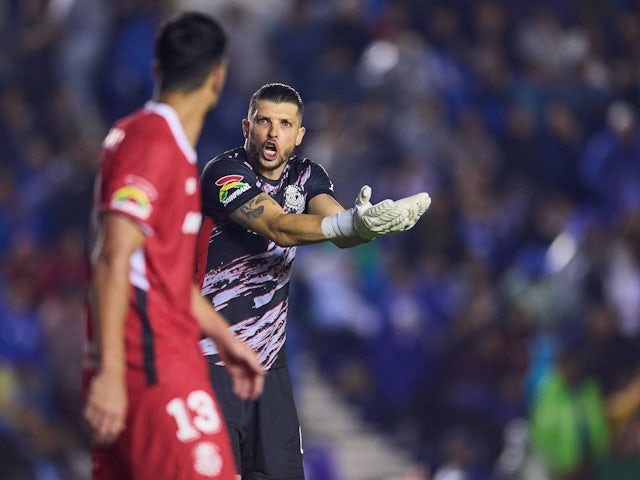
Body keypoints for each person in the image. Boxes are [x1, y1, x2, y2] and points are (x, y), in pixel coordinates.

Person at [195, 82, 431, 479]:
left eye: (285, 124)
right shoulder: (224, 173)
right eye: (264, 121)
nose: (273, 133)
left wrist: (369, 226)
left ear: (299, 135)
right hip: (212, 362)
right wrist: (347, 224)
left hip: (269, 367)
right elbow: (278, 226)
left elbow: (340, 228)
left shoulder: (306, 176)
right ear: (246, 127)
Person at [82, 12, 265, 480]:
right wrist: (111, 373)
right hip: (150, 368)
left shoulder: (160, 144)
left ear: (157, 69)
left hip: (147, 363)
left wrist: (225, 337)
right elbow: (113, 255)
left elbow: (161, 278)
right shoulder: (154, 145)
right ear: (218, 77)